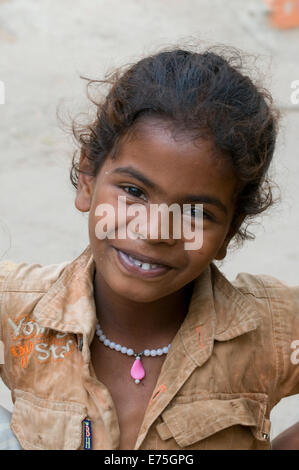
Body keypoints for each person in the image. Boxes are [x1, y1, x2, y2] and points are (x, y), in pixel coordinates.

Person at [0, 46, 299, 451]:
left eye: (196, 212)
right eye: (133, 191)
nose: (156, 231)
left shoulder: (271, 329)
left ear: (230, 231)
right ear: (87, 178)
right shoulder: (19, 315)